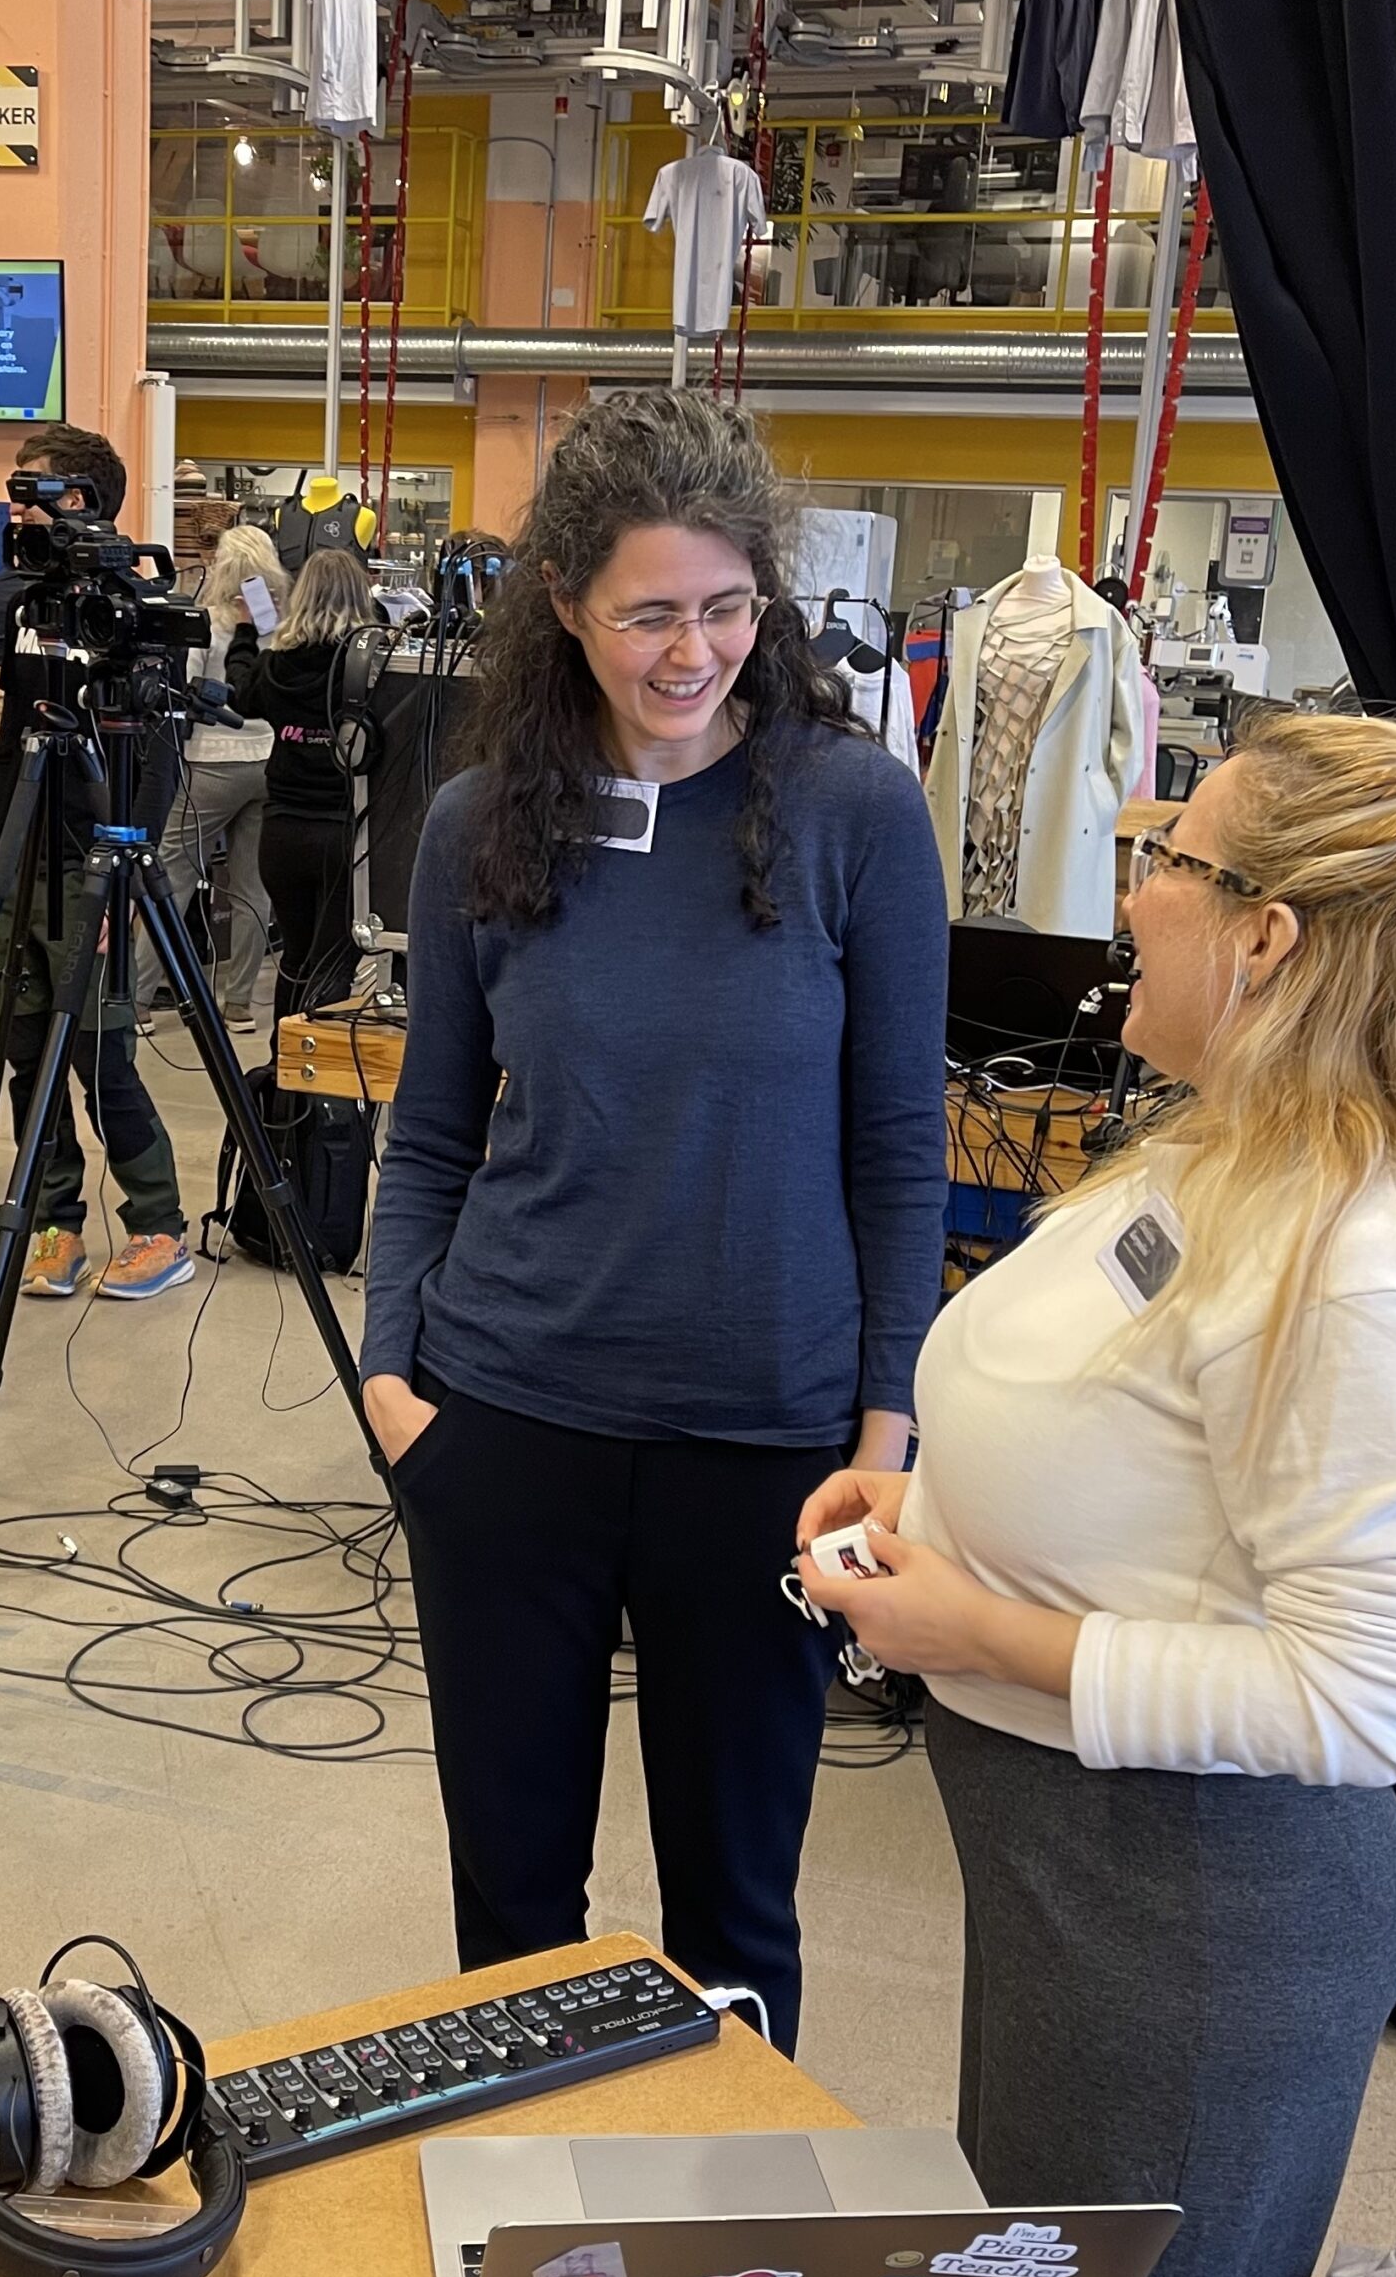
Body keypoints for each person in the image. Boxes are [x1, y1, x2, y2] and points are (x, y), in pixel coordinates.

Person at [794, 716, 1396, 2277]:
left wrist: (984, 1626)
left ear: (1268, 934)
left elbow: (1368, 1699)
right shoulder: (1228, 1152)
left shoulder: (1370, 1259)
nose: (1132, 898)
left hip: (1189, 1932)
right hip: (1083, 1899)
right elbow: (1141, 1461)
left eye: (1167, 855)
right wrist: (931, 1523)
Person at [362, 389, 948, 2055]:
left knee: (738, 1909)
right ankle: (515, 2250)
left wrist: (886, 1426)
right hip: (509, 1425)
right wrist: (392, 1380)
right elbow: (428, 1134)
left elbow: (900, 1150)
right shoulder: (487, 824)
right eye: (647, 615)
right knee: (516, 1907)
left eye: (723, 608)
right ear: (563, 604)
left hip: (765, 1449)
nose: (692, 653)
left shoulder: (853, 815)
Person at [0, 421, 193, 1302]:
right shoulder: (14, 605)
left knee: (99, 1057)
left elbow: (156, 761)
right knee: (26, 1054)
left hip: (93, 870)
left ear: (83, 500)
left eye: (35, 488)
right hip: (21, 867)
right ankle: (55, 1222)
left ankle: (158, 1226)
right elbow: (15, 743)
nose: (16, 502)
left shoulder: (132, 612)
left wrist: (123, 881)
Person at [225, 545, 378, 1020]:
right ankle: (316, 1079)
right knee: (333, 964)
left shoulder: (276, 669)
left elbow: (240, 693)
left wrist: (247, 629)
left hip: (283, 831)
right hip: (342, 834)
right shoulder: (372, 673)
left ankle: (283, 1072)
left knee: (293, 958)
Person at [168, 522, 289, 1029]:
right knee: (252, 888)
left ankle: (136, 998)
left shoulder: (208, 619)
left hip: (210, 763)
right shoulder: (279, 625)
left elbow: (188, 689)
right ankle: (238, 1002)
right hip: (267, 759)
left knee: (170, 877)